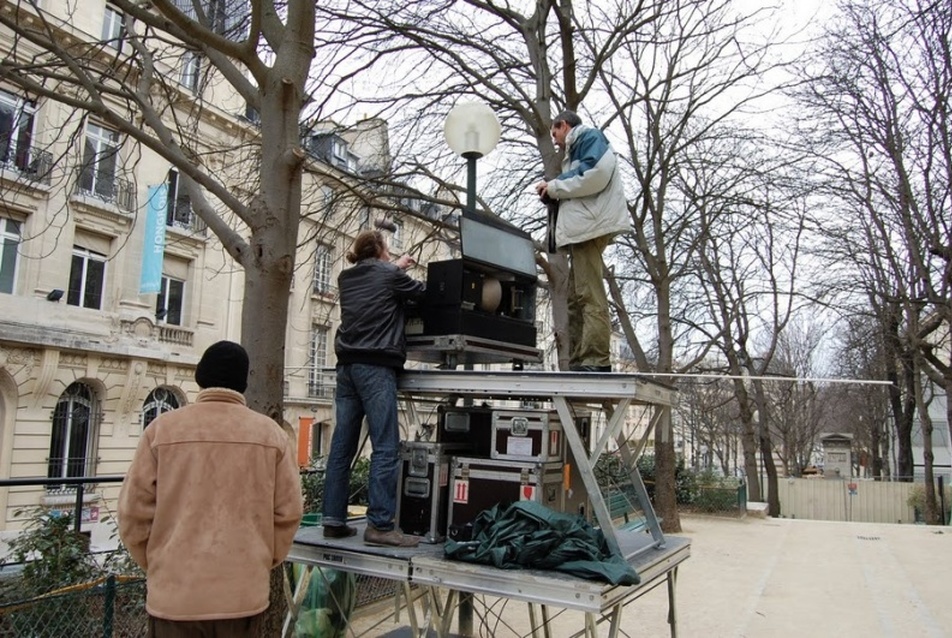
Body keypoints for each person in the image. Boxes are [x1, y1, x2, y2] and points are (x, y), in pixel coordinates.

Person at [118, 340, 303, 637]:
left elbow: (132, 514)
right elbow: (289, 513)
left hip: (175, 597)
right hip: (243, 594)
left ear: (200, 376)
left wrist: (159, 563)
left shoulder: (162, 430)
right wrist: (259, 560)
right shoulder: (271, 435)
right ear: (243, 382)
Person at [322, 229, 426, 547]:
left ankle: (333, 519)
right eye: (387, 247)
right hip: (375, 366)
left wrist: (396, 267)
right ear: (381, 248)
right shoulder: (390, 273)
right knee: (385, 446)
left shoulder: (345, 278)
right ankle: (380, 525)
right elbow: (421, 293)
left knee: (342, 446)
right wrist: (399, 269)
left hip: (346, 368)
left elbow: (377, 281)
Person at [535, 110, 630, 372]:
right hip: (583, 229)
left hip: (589, 228)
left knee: (588, 293)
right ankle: (580, 359)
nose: (555, 141)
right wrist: (555, 192)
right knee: (578, 296)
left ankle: (596, 360)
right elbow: (581, 184)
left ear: (564, 126)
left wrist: (553, 186)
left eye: (555, 134)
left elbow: (595, 173)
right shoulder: (576, 150)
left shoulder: (587, 137)